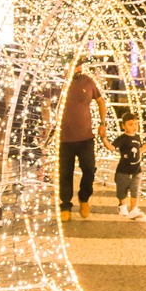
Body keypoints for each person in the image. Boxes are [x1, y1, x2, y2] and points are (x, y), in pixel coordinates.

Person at [57, 58, 108, 219]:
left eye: (79, 64)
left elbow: (101, 101)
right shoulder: (59, 84)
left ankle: (84, 198)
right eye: (74, 65)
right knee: (65, 173)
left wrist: (102, 123)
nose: (78, 68)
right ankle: (65, 205)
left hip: (86, 137)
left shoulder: (88, 81)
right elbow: (47, 105)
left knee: (89, 169)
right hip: (65, 138)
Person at [112, 113, 146, 218]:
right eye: (130, 124)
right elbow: (112, 147)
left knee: (135, 189)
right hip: (123, 170)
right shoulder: (122, 139)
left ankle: (134, 209)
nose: (134, 127)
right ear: (123, 126)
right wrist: (104, 139)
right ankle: (122, 206)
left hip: (137, 169)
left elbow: (139, 151)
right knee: (122, 190)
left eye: (136, 124)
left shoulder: (137, 137)